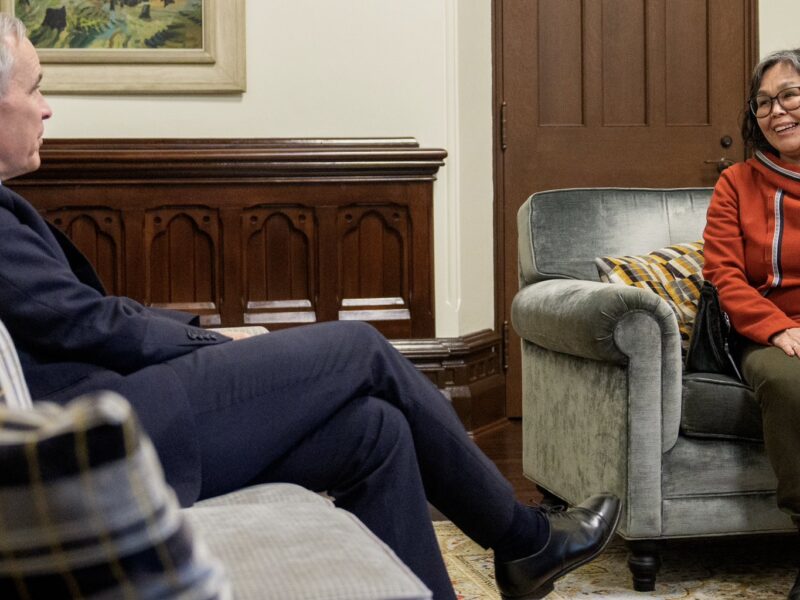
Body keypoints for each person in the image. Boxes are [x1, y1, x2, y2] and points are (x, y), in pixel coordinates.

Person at [0, 14, 620, 600]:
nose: (47, 107)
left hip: (123, 412)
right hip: (104, 432)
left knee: (374, 431)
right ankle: (524, 540)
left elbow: (78, 316)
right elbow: (85, 323)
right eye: (35, 88)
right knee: (360, 348)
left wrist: (211, 336)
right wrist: (215, 343)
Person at [703, 47, 800, 600]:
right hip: (768, 332)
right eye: (763, 103)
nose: (775, 111)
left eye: (789, 95)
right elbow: (723, 274)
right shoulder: (736, 183)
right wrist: (776, 327)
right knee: (790, 382)